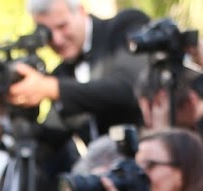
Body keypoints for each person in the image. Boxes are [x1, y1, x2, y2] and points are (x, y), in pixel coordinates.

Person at [8, 0, 148, 142]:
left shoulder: (123, 26)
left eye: (62, 26)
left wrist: (53, 88)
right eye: (48, 34)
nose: (57, 40)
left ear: (81, 11)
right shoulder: (62, 74)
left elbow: (129, 89)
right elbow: (51, 140)